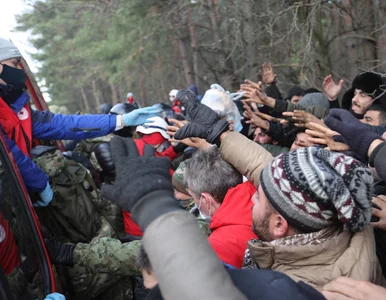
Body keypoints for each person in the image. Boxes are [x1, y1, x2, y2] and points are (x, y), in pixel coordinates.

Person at [172, 90, 385, 290]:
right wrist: (221, 134)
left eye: (259, 196)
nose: (251, 196)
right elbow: (263, 167)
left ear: (279, 224)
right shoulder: (341, 211)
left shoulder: (300, 287)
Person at [99, 132, 325, 299]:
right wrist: (220, 135)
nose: (257, 197)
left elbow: (200, 289)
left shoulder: (220, 246)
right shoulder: (260, 199)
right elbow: (263, 169)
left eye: (189, 196)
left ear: (205, 200)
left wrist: (154, 206)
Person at [0, 37, 161, 207]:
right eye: (15, 63)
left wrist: (120, 120)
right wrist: (38, 182)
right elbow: (7, 151)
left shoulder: (17, 108)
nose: (19, 70)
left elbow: (63, 124)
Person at [184, 147, 257, 268]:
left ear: (206, 200)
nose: (194, 202)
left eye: (193, 197)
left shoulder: (220, 245)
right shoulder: (258, 192)